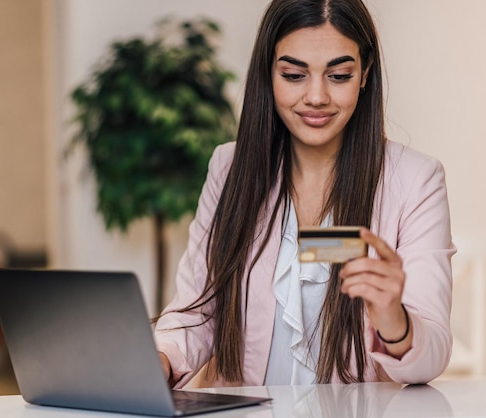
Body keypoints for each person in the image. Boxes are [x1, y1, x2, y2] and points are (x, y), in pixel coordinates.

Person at [154, 0, 455, 388]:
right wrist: (157, 361)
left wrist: (394, 319)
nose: (316, 97)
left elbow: (429, 358)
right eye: (294, 75)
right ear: (269, 73)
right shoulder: (229, 168)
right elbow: (197, 312)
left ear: (365, 74)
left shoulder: (416, 180)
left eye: (339, 75)